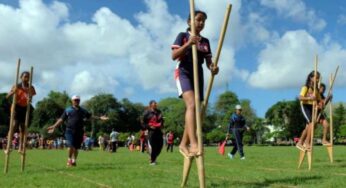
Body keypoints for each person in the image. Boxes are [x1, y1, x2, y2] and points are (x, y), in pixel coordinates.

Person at [171, 10, 218, 158]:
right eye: (198, 20)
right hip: (184, 72)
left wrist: (213, 68)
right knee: (191, 105)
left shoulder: (205, 42)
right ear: (189, 21)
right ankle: (193, 142)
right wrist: (188, 44)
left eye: (203, 21)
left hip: (198, 74)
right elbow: (174, 56)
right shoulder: (183, 36)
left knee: (197, 109)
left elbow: (209, 63)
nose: (201, 23)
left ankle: (183, 144)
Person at [47, 95, 108, 167]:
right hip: (69, 131)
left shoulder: (83, 110)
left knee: (76, 148)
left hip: (79, 131)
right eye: (75, 100)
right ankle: (69, 160)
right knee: (70, 146)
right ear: (72, 101)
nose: (77, 101)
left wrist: (100, 118)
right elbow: (61, 119)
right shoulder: (68, 110)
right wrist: (54, 126)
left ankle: (74, 160)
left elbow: (90, 116)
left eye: (78, 100)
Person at [5, 71, 36, 154]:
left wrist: (30, 99)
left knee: (23, 128)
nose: (26, 78)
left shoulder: (31, 87)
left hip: (25, 108)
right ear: (21, 77)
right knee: (14, 125)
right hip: (16, 107)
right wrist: (12, 92)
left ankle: (21, 147)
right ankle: (8, 146)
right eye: (25, 76)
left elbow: (31, 97)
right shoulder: (17, 86)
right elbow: (7, 96)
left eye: (28, 77)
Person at [296, 71, 321, 151]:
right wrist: (309, 98)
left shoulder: (316, 89)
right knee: (311, 123)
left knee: (309, 126)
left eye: (318, 78)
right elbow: (300, 97)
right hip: (305, 106)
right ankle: (307, 143)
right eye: (316, 77)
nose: (317, 80)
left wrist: (320, 104)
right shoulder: (306, 87)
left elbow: (319, 100)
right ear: (311, 77)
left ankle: (300, 143)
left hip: (312, 107)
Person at [142, 100, 163, 165]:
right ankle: (153, 161)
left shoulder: (159, 112)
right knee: (153, 146)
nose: (156, 104)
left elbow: (162, 120)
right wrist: (149, 127)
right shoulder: (147, 113)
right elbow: (143, 123)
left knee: (160, 145)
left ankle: (153, 157)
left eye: (156, 103)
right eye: (154, 103)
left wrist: (162, 124)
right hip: (151, 131)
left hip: (158, 130)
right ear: (151, 105)